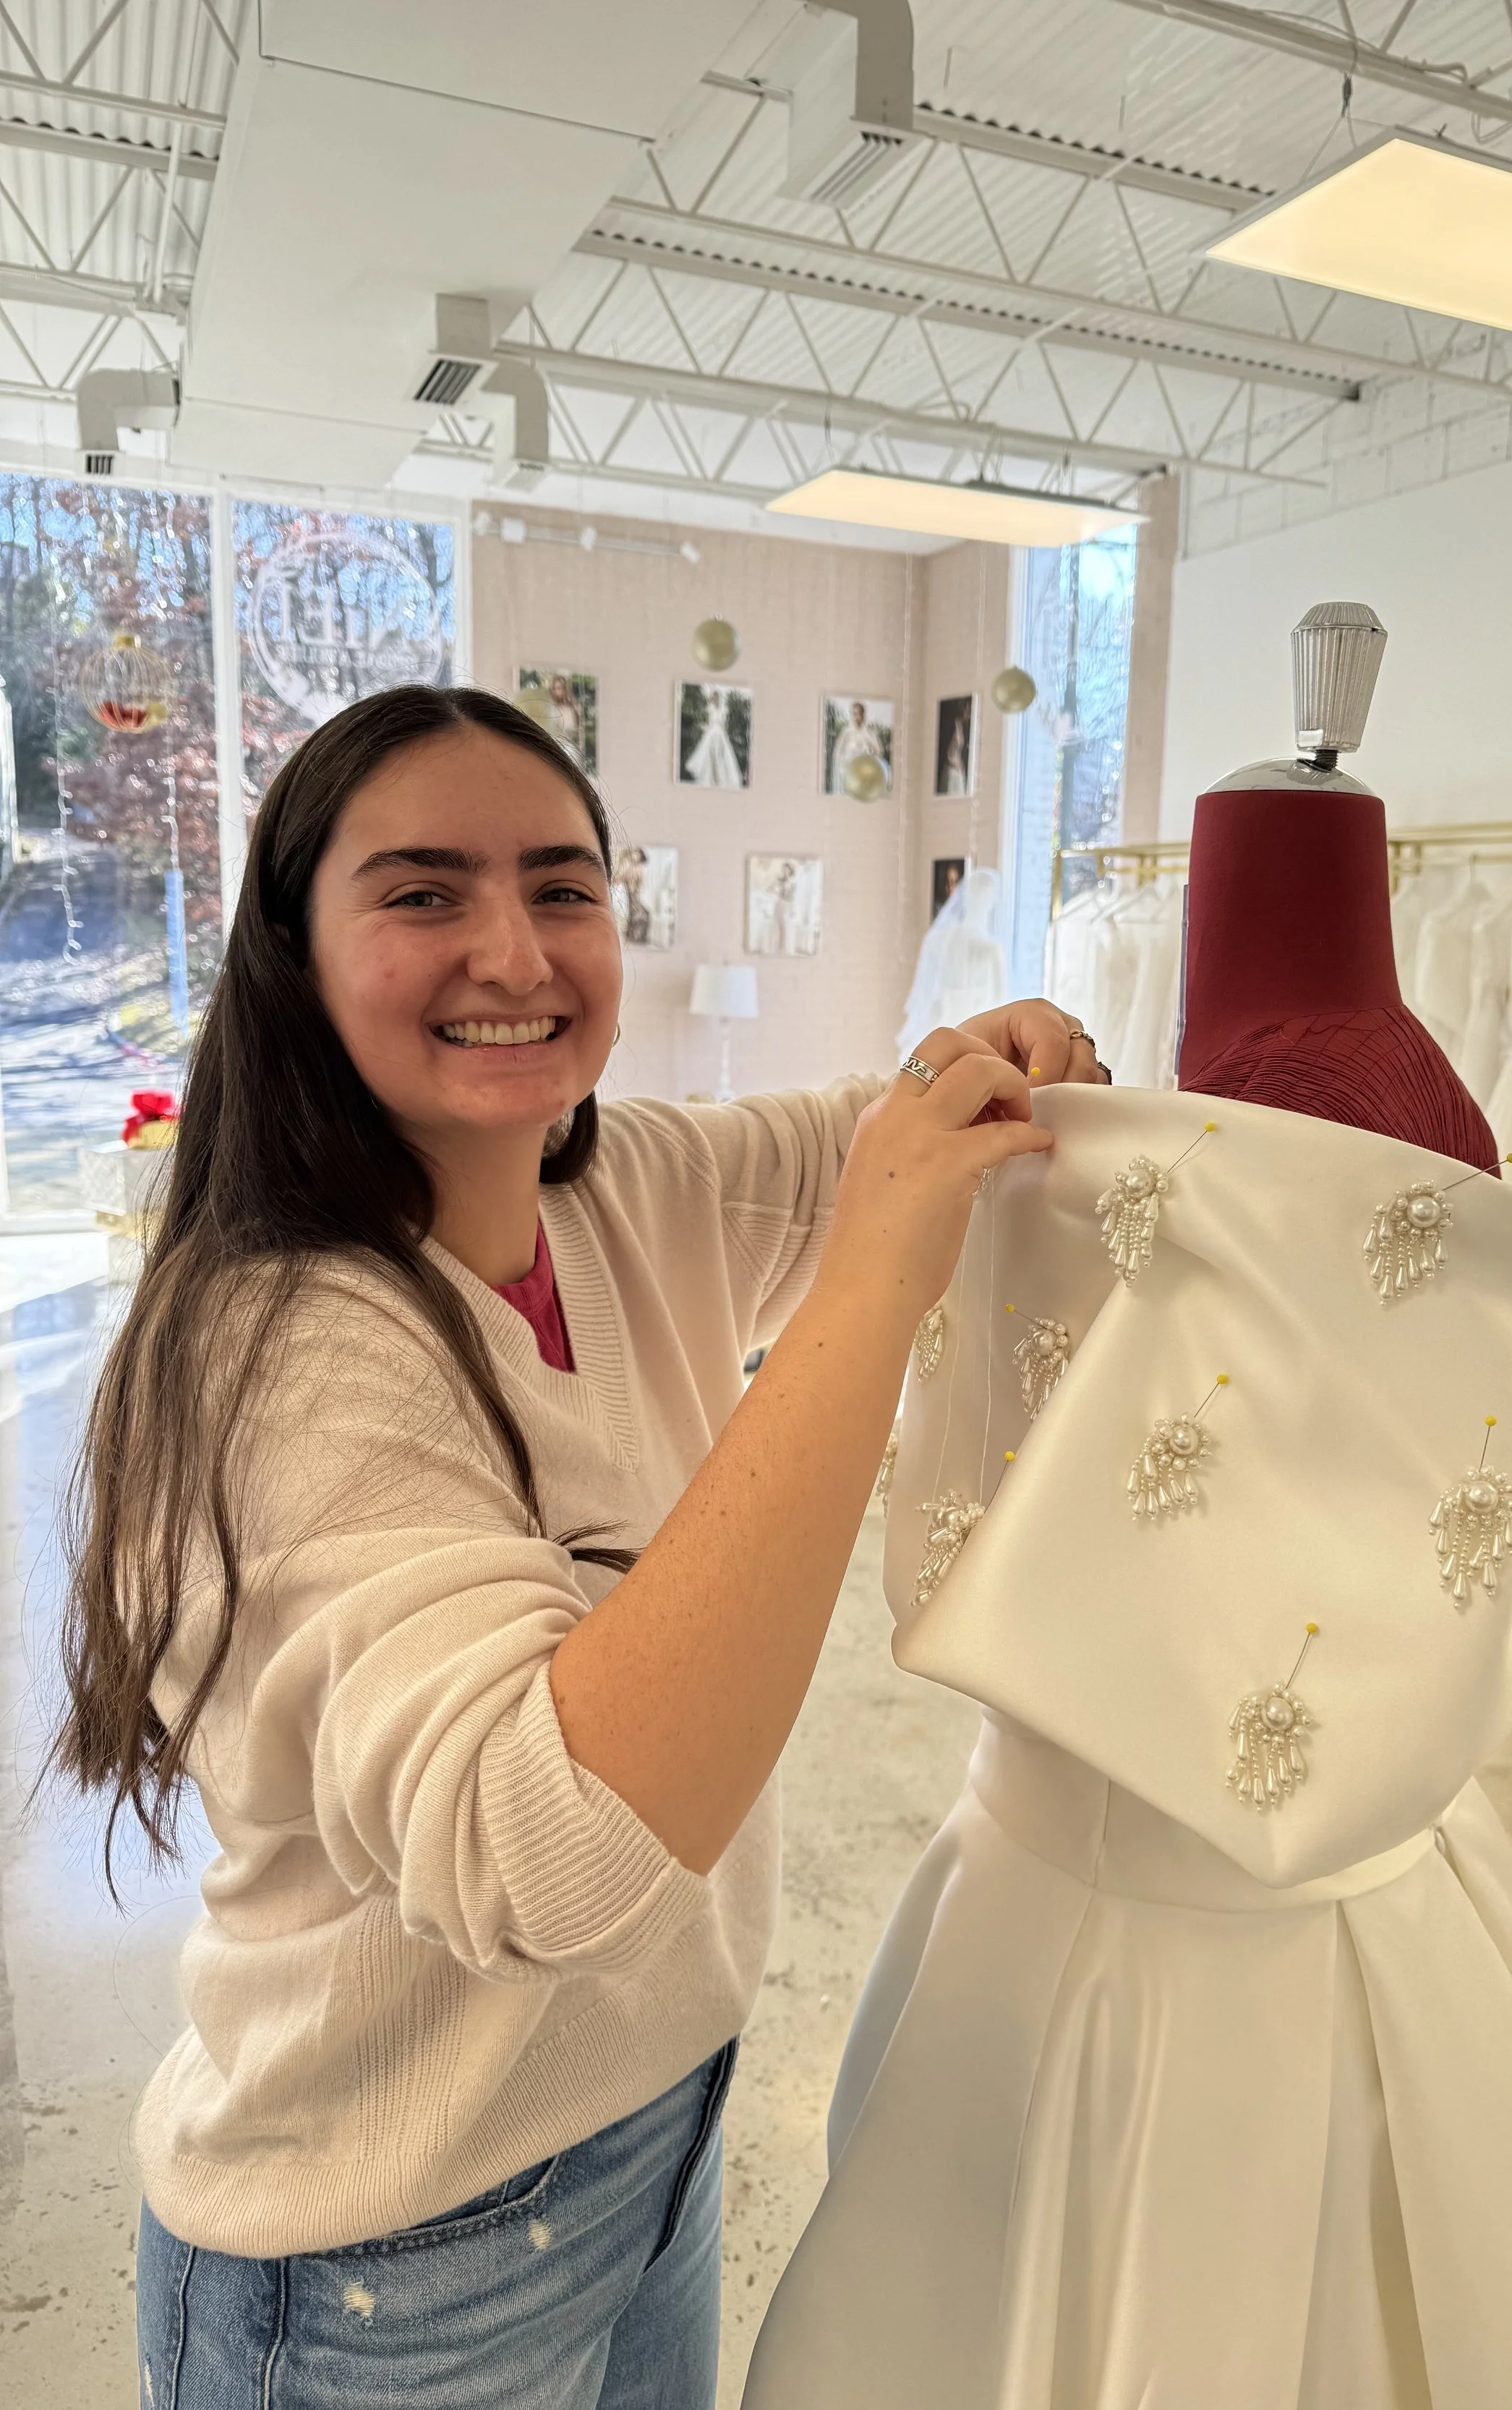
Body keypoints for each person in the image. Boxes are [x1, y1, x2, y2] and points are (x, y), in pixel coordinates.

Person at [46, 683, 1106, 2409]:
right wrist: (870, 1289)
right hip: (390, 2265)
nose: (513, 952)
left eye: (561, 886)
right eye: (421, 892)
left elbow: (891, 1128)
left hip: (653, 2145)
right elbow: (546, 1855)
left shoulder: (620, 1187)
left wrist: (1003, 1050)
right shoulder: (287, 1356)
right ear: (291, 951)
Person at [683, 683, 742, 787]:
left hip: (720, 734)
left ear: (718, 698)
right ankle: (710, 778)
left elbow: (724, 724)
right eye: (713, 697)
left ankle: (720, 778)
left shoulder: (724, 710)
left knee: (720, 755)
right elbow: (708, 723)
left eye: (716, 697)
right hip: (711, 733)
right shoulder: (710, 709)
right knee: (709, 754)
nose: (715, 699)